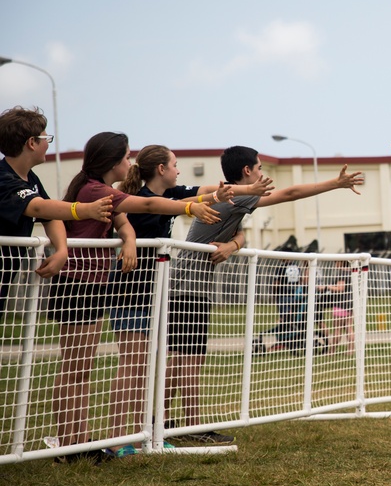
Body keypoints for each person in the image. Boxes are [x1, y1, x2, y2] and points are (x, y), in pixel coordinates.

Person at [165, 145, 363, 444]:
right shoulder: (234, 194)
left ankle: (164, 421)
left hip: (189, 287)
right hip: (187, 289)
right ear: (247, 171)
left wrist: (234, 245)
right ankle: (189, 427)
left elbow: (237, 232)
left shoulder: (232, 197)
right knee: (188, 358)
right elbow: (291, 193)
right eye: (259, 168)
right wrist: (334, 183)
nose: (262, 173)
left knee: (180, 356)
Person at [46, 132, 221, 463]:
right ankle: (77, 445)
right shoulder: (94, 189)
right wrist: (188, 208)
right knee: (77, 368)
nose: (130, 163)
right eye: (126, 157)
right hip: (78, 285)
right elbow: (148, 204)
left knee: (86, 369)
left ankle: (81, 443)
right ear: (113, 162)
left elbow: (124, 219)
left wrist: (127, 238)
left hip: (96, 285)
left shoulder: (106, 191)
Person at [106, 144, 272, 457]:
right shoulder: (144, 199)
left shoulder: (173, 193)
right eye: (175, 164)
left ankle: (144, 435)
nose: (179, 169)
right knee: (132, 367)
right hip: (130, 289)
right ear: (160, 170)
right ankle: (116, 442)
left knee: (144, 368)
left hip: (153, 290)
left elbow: (206, 193)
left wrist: (231, 199)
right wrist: (197, 205)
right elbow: (145, 211)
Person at [0, 106, 113, 311]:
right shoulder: (3, 178)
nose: (48, 145)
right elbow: (38, 208)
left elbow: (50, 217)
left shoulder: (31, 178)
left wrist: (61, 251)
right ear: (32, 143)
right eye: (46, 139)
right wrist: (85, 210)